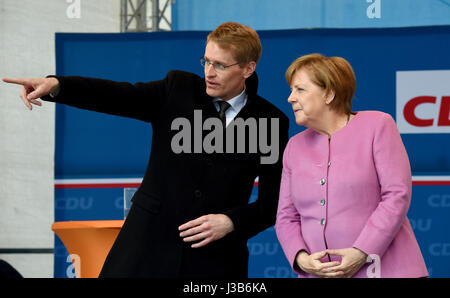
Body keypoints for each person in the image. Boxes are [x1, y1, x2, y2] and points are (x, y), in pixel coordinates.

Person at [2, 22, 289, 278]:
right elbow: (118, 95)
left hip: (215, 259)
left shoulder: (271, 122)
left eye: (221, 65)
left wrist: (231, 222)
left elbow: (272, 204)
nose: (208, 73)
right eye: (206, 61)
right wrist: (57, 86)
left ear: (248, 68)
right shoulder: (178, 88)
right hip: (145, 249)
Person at [275, 53, 428, 278]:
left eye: (300, 89)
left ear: (328, 93)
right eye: (291, 90)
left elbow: (397, 195)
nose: (290, 98)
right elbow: (286, 217)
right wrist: (301, 259)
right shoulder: (293, 147)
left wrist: (362, 252)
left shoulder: (377, 125)